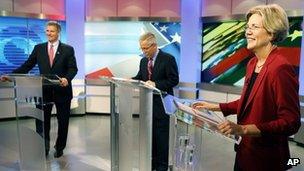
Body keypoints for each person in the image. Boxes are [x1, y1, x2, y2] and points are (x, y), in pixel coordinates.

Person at [192, 4, 300, 171]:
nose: (247, 32)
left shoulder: (280, 68)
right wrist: (214, 107)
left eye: (254, 27)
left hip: (267, 160)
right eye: (247, 27)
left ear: (271, 32)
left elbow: (290, 122)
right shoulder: (252, 63)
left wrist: (243, 129)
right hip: (245, 151)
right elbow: (250, 101)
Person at [1, 21, 78, 158]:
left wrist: (67, 79)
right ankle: (43, 147)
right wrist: (11, 75)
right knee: (42, 121)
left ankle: (59, 148)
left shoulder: (68, 49)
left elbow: (73, 68)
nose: (49, 33)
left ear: (58, 32)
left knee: (63, 122)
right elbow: (27, 65)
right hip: (43, 92)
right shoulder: (39, 48)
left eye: (52, 31)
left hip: (62, 91)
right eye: (47, 31)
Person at [133, 32, 179, 171]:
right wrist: (130, 80)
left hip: (163, 105)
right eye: (141, 48)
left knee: (161, 137)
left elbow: (173, 80)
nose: (143, 51)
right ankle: (152, 164)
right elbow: (140, 77)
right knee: (150, 137)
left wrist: (156, 84)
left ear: (154, 45)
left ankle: (162, 167)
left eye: (145, 48)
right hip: (147, 105)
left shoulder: (168, 59)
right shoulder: (143, 61)